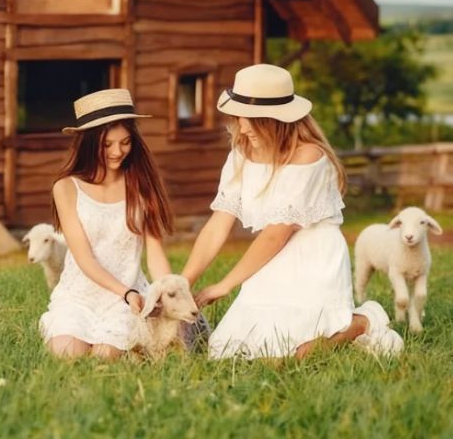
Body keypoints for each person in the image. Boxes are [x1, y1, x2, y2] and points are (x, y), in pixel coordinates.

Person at [181, 64, 403, 359]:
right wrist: (183, 283)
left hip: (314, 258)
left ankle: (361, 323)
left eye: (253, 119)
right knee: (227, 351)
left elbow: (276, 234)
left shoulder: (308, 156)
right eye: (239, 117)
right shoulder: (240, 154)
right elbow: (217, 224)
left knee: (292, 354)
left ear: (277, 119)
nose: (243, 127)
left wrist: (224, 285)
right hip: (273, 260)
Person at [39, 88, 174, 360]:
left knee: (105, 355)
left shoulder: (141, 185)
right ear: (89, 143)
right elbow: (84, 258)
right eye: (107, 144)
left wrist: (167, 292)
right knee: (67, 353)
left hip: (129, 299)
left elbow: (155, 252)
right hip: (81, 295)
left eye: (125, 142)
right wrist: (124, 292)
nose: (117, 152)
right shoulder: (66, 188)